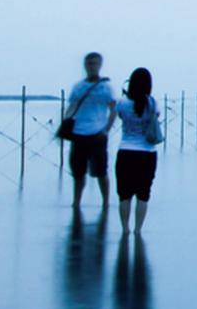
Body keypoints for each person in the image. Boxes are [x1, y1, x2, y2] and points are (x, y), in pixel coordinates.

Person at [64, 52, 117, 210]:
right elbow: (71, 107)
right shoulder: (78, 87)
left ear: (100, 65)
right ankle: (76, 203)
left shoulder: (105, 87)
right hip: (79, 133)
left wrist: (106, 129)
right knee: (78, 172)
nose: (91, 67)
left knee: (101, 171)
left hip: (97, 134)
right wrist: (66, 126)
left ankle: (106, 203)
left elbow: (114, 109)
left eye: (94, 63)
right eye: (89, 64)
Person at [115, 67, 162, 234]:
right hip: (147, 153)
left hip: (126, 151)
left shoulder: (122, 103)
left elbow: (120, 116)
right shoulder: (152, 102)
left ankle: (125, 229)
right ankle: (137, 230)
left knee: (124, 194)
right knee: (143, 194)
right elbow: (156, 117)